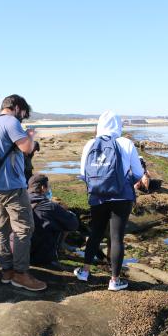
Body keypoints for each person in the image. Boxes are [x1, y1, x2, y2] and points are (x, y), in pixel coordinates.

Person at [74, 111, 144, 291]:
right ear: (118, 125)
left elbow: (83, 174)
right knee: (116, 237)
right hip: (121, 196)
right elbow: (138, 173)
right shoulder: (126, 143)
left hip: (97, 195)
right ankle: (114, 280)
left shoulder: (90, 143)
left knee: (96, 232)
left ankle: (85, 271)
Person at [0, 94, 46, 291]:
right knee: (24, 228)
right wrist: (30, 135)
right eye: (24, 114)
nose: (23, 117)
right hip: (11, 185)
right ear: (17, 108)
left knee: (1, 227)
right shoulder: (10, 121)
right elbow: (27, 148)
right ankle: (20, 274)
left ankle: (6, 271)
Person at [28, 174, 79, 267]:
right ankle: (54, 255)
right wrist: (65, 211)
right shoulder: (50, 206)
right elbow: (73, 224)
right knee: (61, 222)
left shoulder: (19, 200)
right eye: (48, 186)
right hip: (38, 257)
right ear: (43, 188)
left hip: (18, 252)